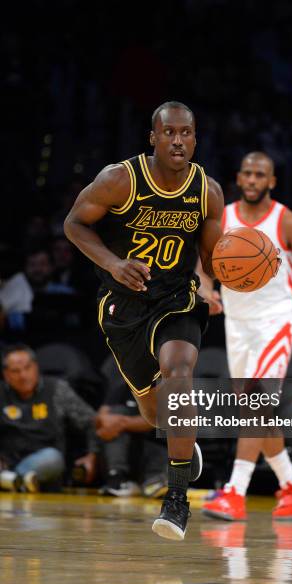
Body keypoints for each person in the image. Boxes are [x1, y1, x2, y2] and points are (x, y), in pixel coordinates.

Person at [64, 101, 224, 540]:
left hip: (177, 299)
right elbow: (75, 224)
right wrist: (114, 264)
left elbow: (212, 257)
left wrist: (221, 280)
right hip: (125, 303)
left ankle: (176, 499)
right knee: (155, 411)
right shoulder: (120, 179)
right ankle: (178, 443)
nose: (177, 140)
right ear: (153, 137)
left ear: (195, 138)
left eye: (186, 133)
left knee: (179, 373)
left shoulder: (207, 190)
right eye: (168, 132)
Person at [201, 151, 292, 520]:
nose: (253, 179)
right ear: (239, 178)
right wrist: (205, 287)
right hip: (238, 322)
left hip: (275, 320)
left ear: (272, 181)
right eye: (248, 173)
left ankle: (234, 491)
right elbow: (202, 262)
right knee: (254, 412)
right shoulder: (223, 217)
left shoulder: (287, 222)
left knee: (257, 403)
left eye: (261, 174)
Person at [0, 344, 98, 492]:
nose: (23, 375)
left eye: (28, 368)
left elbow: (93, 422)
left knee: (52, 458)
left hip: (44, 464)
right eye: (15, 371)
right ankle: (15, 482)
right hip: (6, 461)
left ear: (36, 367)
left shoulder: (56, 389)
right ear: (6, 375)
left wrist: (92, 456)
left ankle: (12, 481)